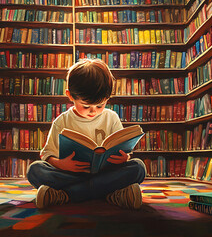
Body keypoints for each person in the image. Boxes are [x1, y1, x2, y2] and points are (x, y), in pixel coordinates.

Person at [27, 58, 147, 209]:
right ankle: (110, 193)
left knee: (138, 167)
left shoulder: (111, 118)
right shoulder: (62, 121)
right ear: (70, 96)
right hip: (72, 174)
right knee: (35, 170)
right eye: (86, 105)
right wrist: (62, 164)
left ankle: (65, 195)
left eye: (100, 105)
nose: (93, 111)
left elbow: (122, 149)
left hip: (105, 173)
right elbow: (47, 154)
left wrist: (125, 157)